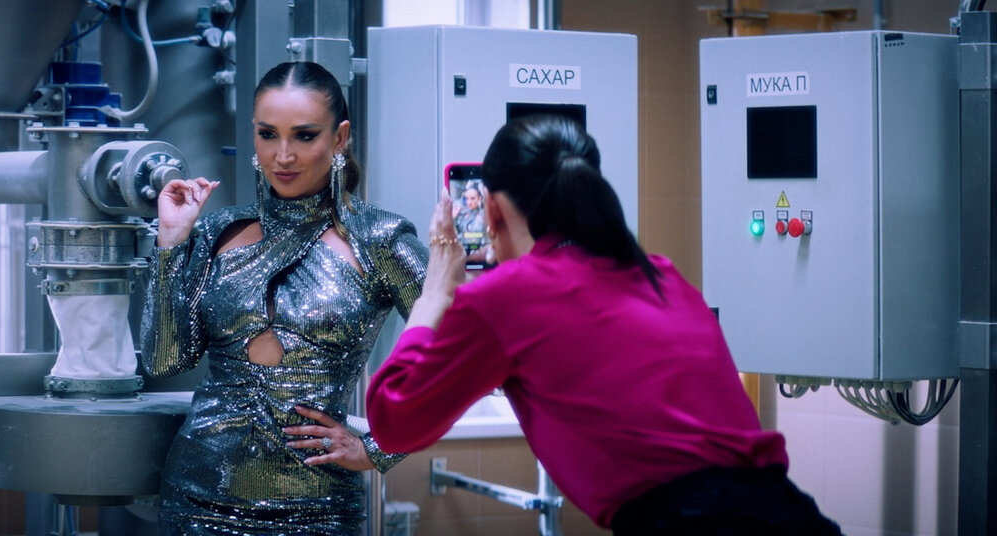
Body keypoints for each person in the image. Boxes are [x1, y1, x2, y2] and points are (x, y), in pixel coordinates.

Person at [365, 115, 840, 534]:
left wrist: (435, 294)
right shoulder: (661, 275)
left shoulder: (506, 297)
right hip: (793, 513)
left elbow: (392, 421)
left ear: (490, 210)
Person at [140, 61, 427, 535]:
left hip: (318, 510)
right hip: (196, 499)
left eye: (305, 135)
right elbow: (165, 360)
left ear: (339, 138)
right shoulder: (217, 232)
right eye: (268, 135)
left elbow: (466, 354)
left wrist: (376, 449)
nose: (284, 155)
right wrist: (171, 244)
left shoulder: (380, 239)